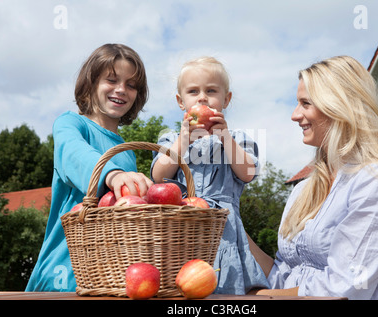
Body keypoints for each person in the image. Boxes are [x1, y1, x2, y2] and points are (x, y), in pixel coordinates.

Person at [249, 55, 378, 299]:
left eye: (305, 103)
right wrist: (233, 228)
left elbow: (345, 286)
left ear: (339, 106)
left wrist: (261, 298)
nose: (294, 115)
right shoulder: (303, 190)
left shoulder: (376, 180)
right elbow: (284, 276)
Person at [26, 44, 153, 291]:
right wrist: (113, 175)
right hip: (63, 271)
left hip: (108, 275)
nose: (121, 90)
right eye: (112, 80)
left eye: (131, 85)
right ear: (92, 83)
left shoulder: (127, 152)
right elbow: (75, 154)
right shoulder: (71, 124)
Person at [151, 57, 269, 294]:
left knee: (224, 287)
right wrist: (184, 138)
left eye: (211, 91)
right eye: (193, 91)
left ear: (226, 99)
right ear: (181, 101)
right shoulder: (172, 139)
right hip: (183, 227)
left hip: (223, 230)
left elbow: (247, 173)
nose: (202, 97)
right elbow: (158, 176)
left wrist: (225, 137)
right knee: (182, 285)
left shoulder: (236, 138)